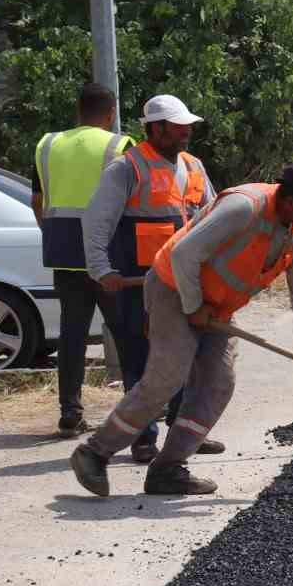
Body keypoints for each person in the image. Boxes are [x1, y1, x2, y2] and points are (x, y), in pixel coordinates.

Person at [70, 162, 293, 497]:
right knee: (167, 377)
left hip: (217, 305)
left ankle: (168, 469)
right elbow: (185, 254)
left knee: (218, 383)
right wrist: (193, 306)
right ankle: (95, 452)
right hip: (174, 288)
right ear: (290, 200)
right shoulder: (244, 207)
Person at [83, 94, 221, 464]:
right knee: (142, 360)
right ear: (155, 128)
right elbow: (97, 222)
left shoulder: (194, 166)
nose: (185, 133)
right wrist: (101, 270)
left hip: (184, 280)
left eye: (187, 126)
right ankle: (142, 438)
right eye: (178, 127)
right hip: (138, 283)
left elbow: (212, 217)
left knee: (187, 357)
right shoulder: (127, 168)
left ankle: (183, 434)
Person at [31, 83, 132, 438]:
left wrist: (56, 234)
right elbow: (131, 205)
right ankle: (139, 406)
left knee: (72, 335)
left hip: (65, 254)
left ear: (78, 111)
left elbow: (38, 200)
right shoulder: (119, 145)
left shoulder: (48, 145)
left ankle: (70, 413)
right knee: (127, 332)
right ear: (111, 113)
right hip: (109, 256)